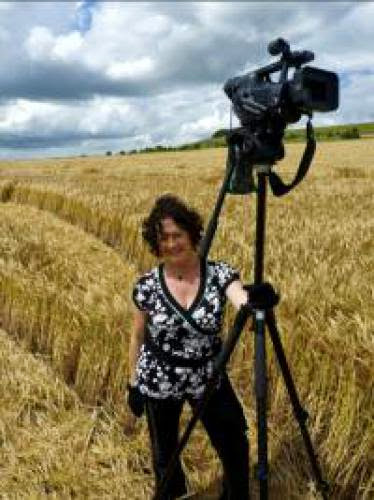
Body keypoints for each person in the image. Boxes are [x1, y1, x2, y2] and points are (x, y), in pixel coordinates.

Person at [127, 194, 251, 500]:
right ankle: (174, 495)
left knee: (234, 442)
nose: (171, 244)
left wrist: (254, 301)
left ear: (192, 234)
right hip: (159, 377)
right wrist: (133, 383)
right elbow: (137, 336)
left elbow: (239, 298)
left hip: (208, 376)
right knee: (164, 453)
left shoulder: (219, 274)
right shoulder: (147, 286)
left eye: (177, 235)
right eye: (164, 238)